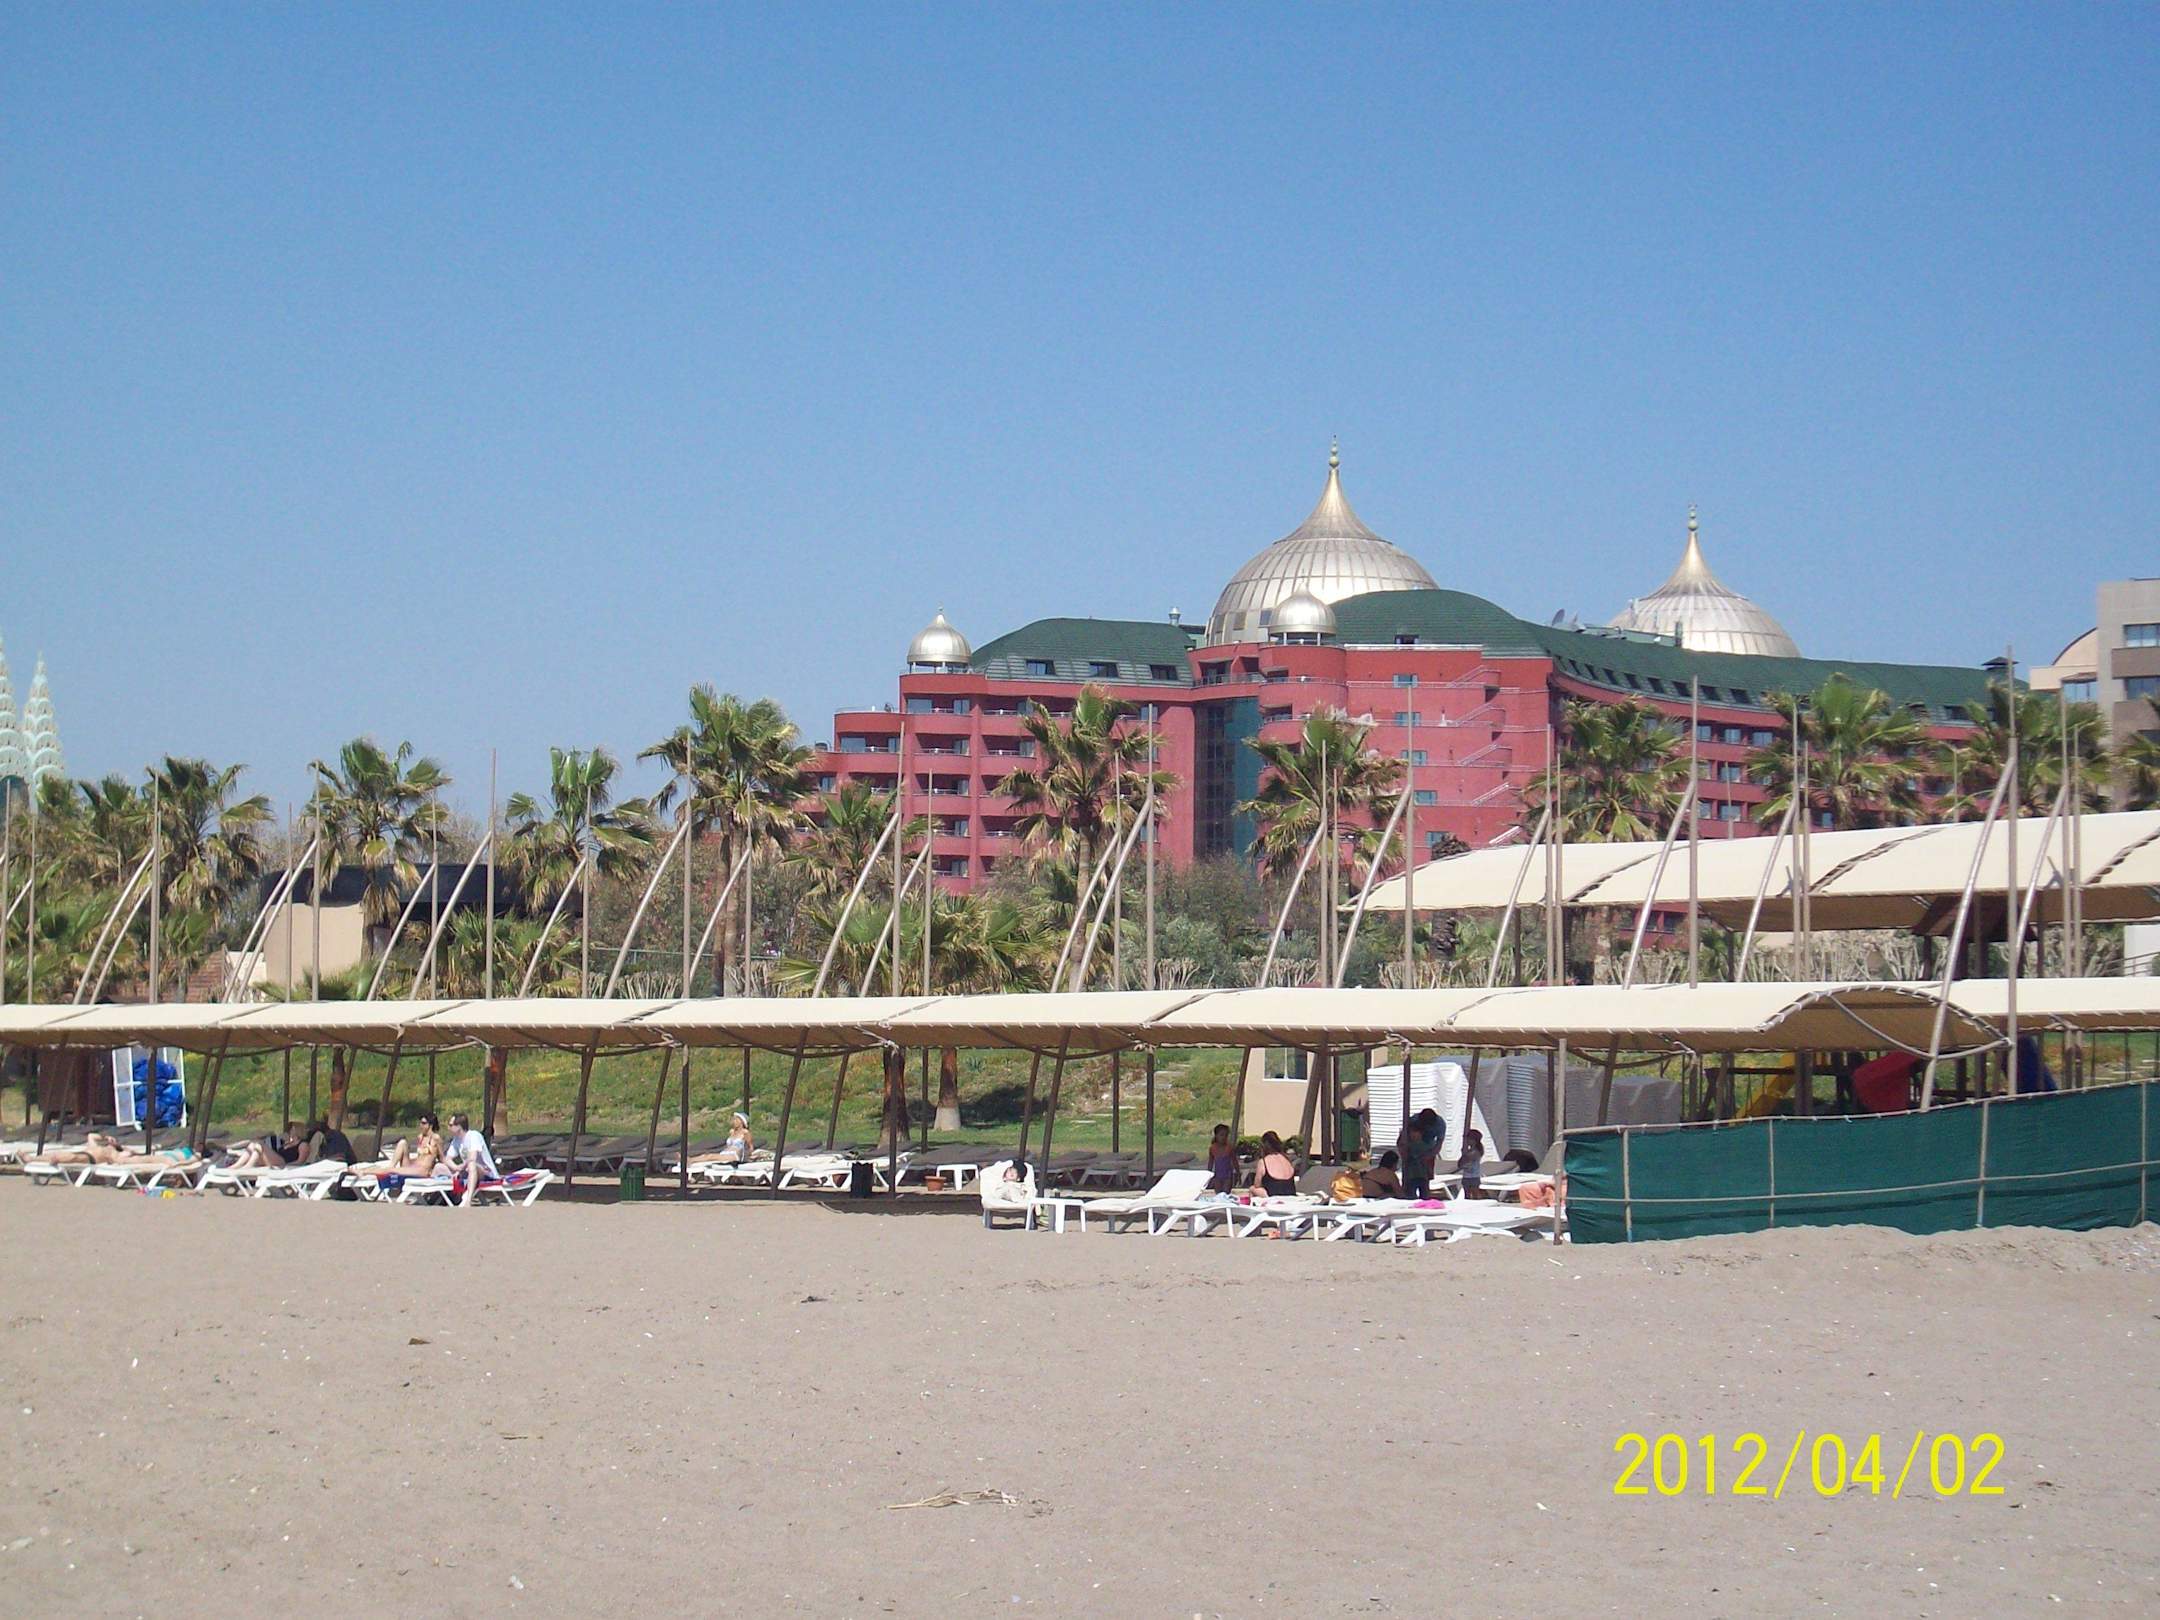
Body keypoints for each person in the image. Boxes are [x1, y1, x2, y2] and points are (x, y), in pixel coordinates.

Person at [445, 1113, 500, 1206]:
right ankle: (439, 1197)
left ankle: (468, 1199)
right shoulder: (456, 1140)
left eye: (451, 1125)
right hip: (468, 1171)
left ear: (459, 1126)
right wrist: (456, 1168)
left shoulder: (474, 1135)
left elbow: (472, 1157)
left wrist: (462, 1167)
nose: (448, 1127)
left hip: (486, 1173)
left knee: (471, 1165)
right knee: (439, 1167)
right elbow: (447, 1159)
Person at [1397, 1108, 1446, 1199]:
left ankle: (1425, 1197)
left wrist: (1428, 1156)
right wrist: (1404, 1154)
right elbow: (1401, 1141)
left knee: (1424, 1184)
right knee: (1410, 1185)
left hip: (1428, 1152)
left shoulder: (1440, 1124)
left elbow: (1439, 1144)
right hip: (1411, 1161)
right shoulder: (1413, 1120)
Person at [1249, 1131, 1298, 1198]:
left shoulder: (1263, 1162)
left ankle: (1254, 1204)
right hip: (1290, 1193)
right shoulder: (1287, 1159)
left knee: (1252, 1188)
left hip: (1273, 1195)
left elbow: (1257, 1185)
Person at [1205, 1124, 1238, 1193]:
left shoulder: (1229, 1148)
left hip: (1228, 1175)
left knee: (1226, 1193)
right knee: (1218, 1193)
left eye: (1226, 1135)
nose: (1224, 1137)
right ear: (1216, 1135)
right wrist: (1208, 1175)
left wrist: (1238, 1172)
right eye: (1221, 1135)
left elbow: (1234, 1161)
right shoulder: (1213, 1148)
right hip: (1218, 1176)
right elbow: (1210, 1163)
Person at [1455, 1129, 1485, 1197]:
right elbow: (1460, 1164)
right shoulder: (1469, 1151)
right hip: (1466, 1176)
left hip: (1474, 1177)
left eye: (1469, 1139)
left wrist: (1464, 1154)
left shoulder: (1476, 1151)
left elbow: (1465, 1160)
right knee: (1467, 1196)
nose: (1467, 1140)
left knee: (1475, 1195)